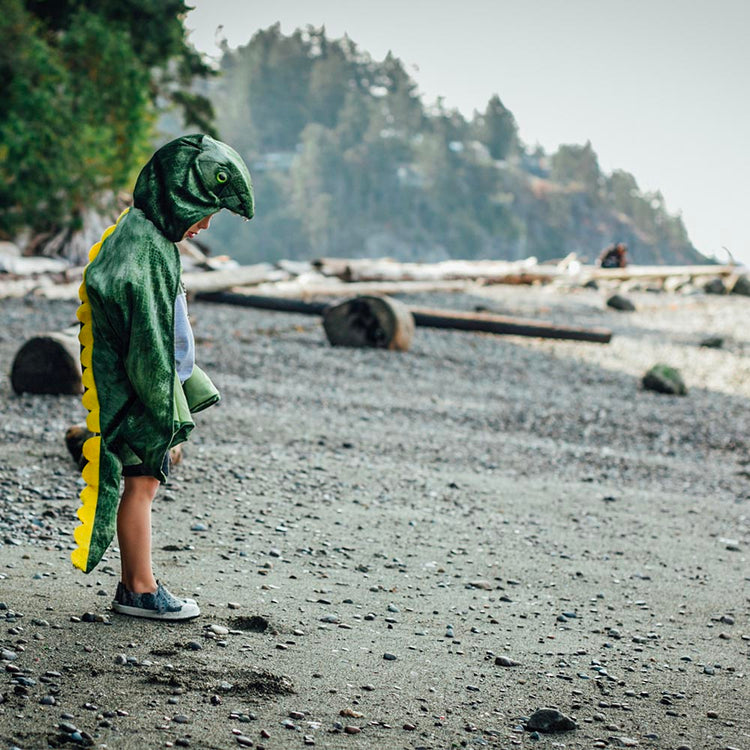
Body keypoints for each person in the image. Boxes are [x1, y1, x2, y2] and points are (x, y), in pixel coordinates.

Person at [72, 134, 254, 620]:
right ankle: (139, 588)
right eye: (203, 211)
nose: (204, 225)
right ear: (180, 195)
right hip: (140, 388)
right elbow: (149, 338)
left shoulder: (139, 234)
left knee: (138, 479)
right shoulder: (149, 250)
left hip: (135, 384)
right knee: (142, 481)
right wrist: (161, 408)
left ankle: (136, 583)